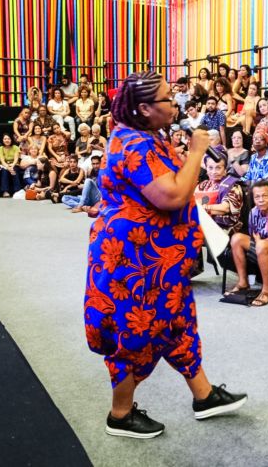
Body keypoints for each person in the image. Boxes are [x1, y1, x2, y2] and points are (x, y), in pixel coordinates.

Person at [85, 70, 247, 439]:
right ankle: (120, 414)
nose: (174, 103)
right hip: (135, 261)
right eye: (165, 99)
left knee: (178, 323)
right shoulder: (136, 145)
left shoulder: (143, 136)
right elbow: (171, 196)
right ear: (143, 108)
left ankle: (204, 396)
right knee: (136, 330)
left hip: (158, 259)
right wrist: (196, 151)